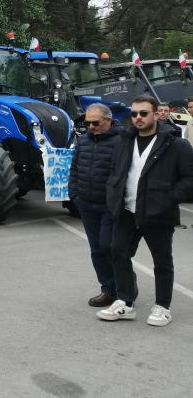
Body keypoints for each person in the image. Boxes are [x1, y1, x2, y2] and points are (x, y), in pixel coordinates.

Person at [97, 95, 193, 327]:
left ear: (155, 115)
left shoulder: (175, 144)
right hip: (127, 210)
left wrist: (169, 198)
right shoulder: (124, 141)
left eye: (143, 113)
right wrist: (113, 198)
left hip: (157, 212)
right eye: (133, 114)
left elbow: (190, 178)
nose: (137, 118)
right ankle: (125, 302)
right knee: (117, 252)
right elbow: (115, 172)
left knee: (162, 261)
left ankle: (163, 306)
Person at [68, 103, 122, 307]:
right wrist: (75, 195)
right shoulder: (83, 141)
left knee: (109, 246)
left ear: (108, 120)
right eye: (87, 123)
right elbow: (74, 168)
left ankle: (124, 283)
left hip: (110, 206)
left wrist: (116, 202)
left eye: (95, 123)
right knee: (97, 250)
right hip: (86, 204)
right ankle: (108, 290)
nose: (90, 127)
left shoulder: (122, 141)